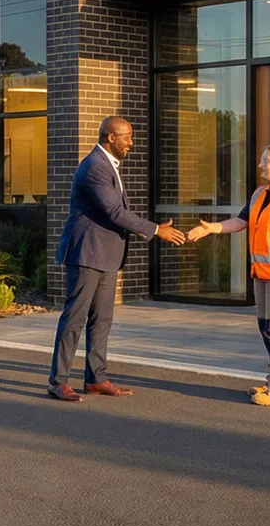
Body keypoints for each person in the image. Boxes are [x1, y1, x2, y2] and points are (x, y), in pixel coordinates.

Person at [47, 115, 186, 402]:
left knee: (102, 320)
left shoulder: (108, 165)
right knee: (74, 319)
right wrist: (156, 230)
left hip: (106, 255)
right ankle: (58, 382)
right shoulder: (94, 167)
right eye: (127, 137)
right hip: (87, 253)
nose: (131, 143)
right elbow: (114, 212)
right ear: (111, 137)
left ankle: (96, 378)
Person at [187, 142, 270, 406]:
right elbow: (241, 222)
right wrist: (212, 228)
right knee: (266, 327)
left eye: (265, 160)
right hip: (263, 274)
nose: (260, 165)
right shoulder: (260, 194)